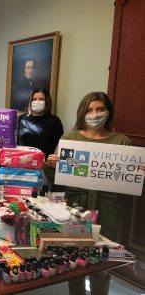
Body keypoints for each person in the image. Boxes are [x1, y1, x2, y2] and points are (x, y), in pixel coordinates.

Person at [44, 91, 130, 295]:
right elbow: (53, 175)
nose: (95, 114)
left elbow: (131, 184)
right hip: (76, 206)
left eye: (100, 109)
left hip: (108, 208)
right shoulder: (70, 138)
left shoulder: (121, 142)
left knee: (101, 265)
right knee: (77, 262)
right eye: (90, 110)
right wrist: (51, 164)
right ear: (82, 112)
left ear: (109, 111)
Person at [17, 88, 64, 158]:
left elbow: (59, 148)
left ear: (47, 102)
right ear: (30, 101)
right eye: (34, 99)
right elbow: (16, 143)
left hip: (45, 166)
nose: (37, 101)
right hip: (22, 163)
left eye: (41, 99)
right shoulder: (21, 119)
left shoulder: (54, 121)